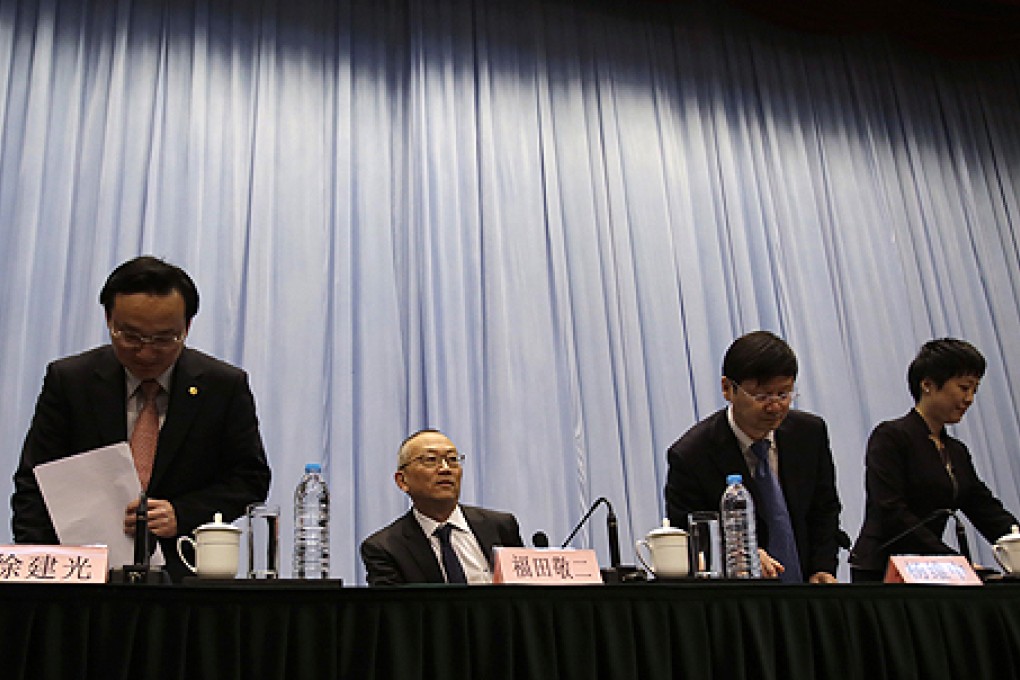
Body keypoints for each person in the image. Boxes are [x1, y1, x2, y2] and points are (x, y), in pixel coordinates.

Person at [11, 255, 271, 582]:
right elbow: (34, 483)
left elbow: (249, 479)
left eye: (164, 339)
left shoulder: (223, 387)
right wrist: (37, 571)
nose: (146, 353)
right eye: (130, 336)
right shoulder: (71, 381)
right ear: (109, 320)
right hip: (82, 578)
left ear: (187, 327)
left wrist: (182, 513)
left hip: (184, 578)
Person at [665, 331, 843, 583]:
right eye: (762, 396)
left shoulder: (809, 434)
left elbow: (824, 509)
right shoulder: (692, 456)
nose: (775, 406)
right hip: (740, 594)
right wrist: (740, 556)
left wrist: (822, 568)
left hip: (807, 590)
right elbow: (693, 538)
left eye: (784, 394)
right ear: (727, 389)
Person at [850, 338, 1018, 582]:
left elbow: (983, 507)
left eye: (974, 390)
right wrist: (952, 560)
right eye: (964, 387)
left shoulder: (956, 451)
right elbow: (891, 510)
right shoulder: (891, 437)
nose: (969, 398)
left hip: (931, 566)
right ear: (927, 384)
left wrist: (1015, 539)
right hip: (883, 569)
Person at [360, 429, 524, 585]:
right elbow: (396, 605)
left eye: (452, 459)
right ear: (402, 481)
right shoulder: (385, 548)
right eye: (430, 460)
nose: (445, 469)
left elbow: (525, 592)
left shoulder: (500, 526)